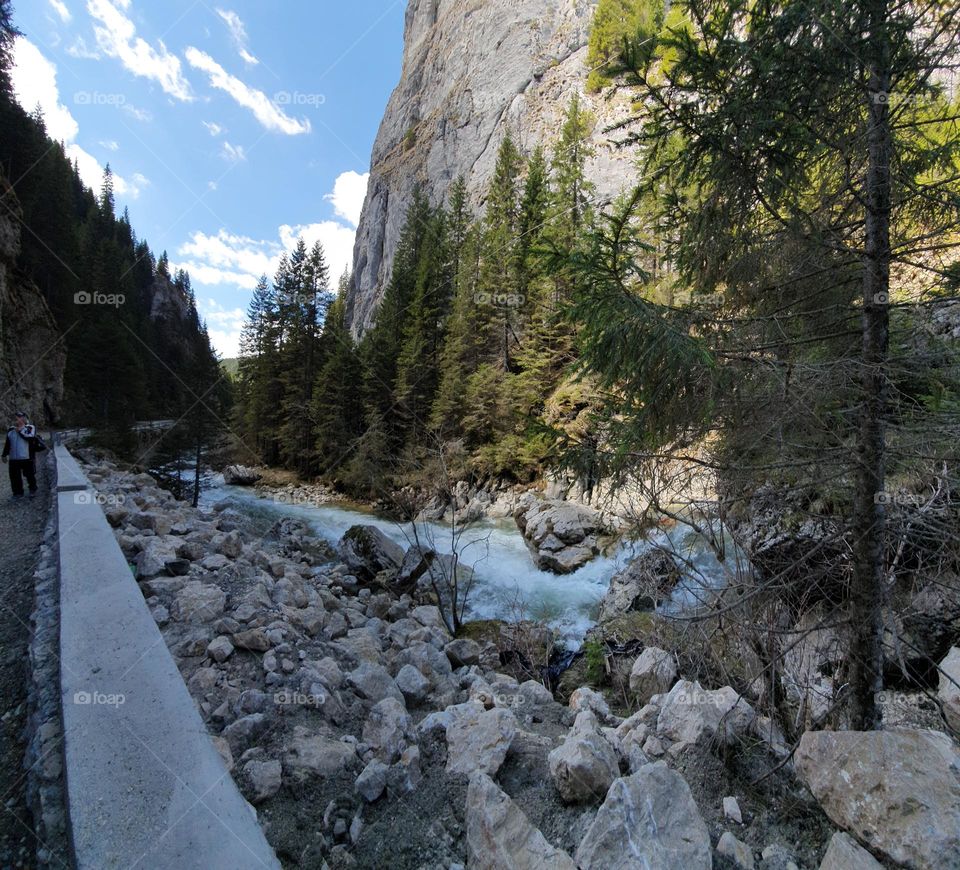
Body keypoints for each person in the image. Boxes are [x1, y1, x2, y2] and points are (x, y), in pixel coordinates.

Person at [2, 411, 45, 498]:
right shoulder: (11, 430)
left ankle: (33, 489)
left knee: (30, 475)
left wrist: (20, 431)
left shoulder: (30, 427)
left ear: (24, 418)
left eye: (18, 417)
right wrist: (4, 455)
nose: (16, 419)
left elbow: (30, 437)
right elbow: (8, 443)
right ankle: (18, 493)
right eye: (15, 417)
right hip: (13, 458)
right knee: (14, 477)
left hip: (27, 457)